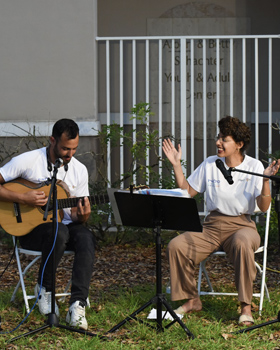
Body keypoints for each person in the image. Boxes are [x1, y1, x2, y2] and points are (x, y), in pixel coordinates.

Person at [162, 116, 280, 326]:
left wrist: (264, 181)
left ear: (239, 144)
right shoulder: (210, 163)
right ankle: (192, 300)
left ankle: (246, 307)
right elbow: (186, 193)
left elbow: (263, 207)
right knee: (176, 246)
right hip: (212, 226)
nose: (218, 142)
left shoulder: (254, 166)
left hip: (243, 225)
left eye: (224, 139)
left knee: (243, 243)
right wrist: (177, 165)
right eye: (218, 137)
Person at [0, 119, 95, 330]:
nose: (70, 154)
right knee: (58, 231)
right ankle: (45, 288)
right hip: (30, 230)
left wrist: (83, 216)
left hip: (64, 227)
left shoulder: (79, 170)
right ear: (52, 140)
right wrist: (24, 199)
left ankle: (77, 304)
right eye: (64, 148)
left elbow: (77, 216)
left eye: (74, 149)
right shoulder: (28, 161)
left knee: (86, 237)